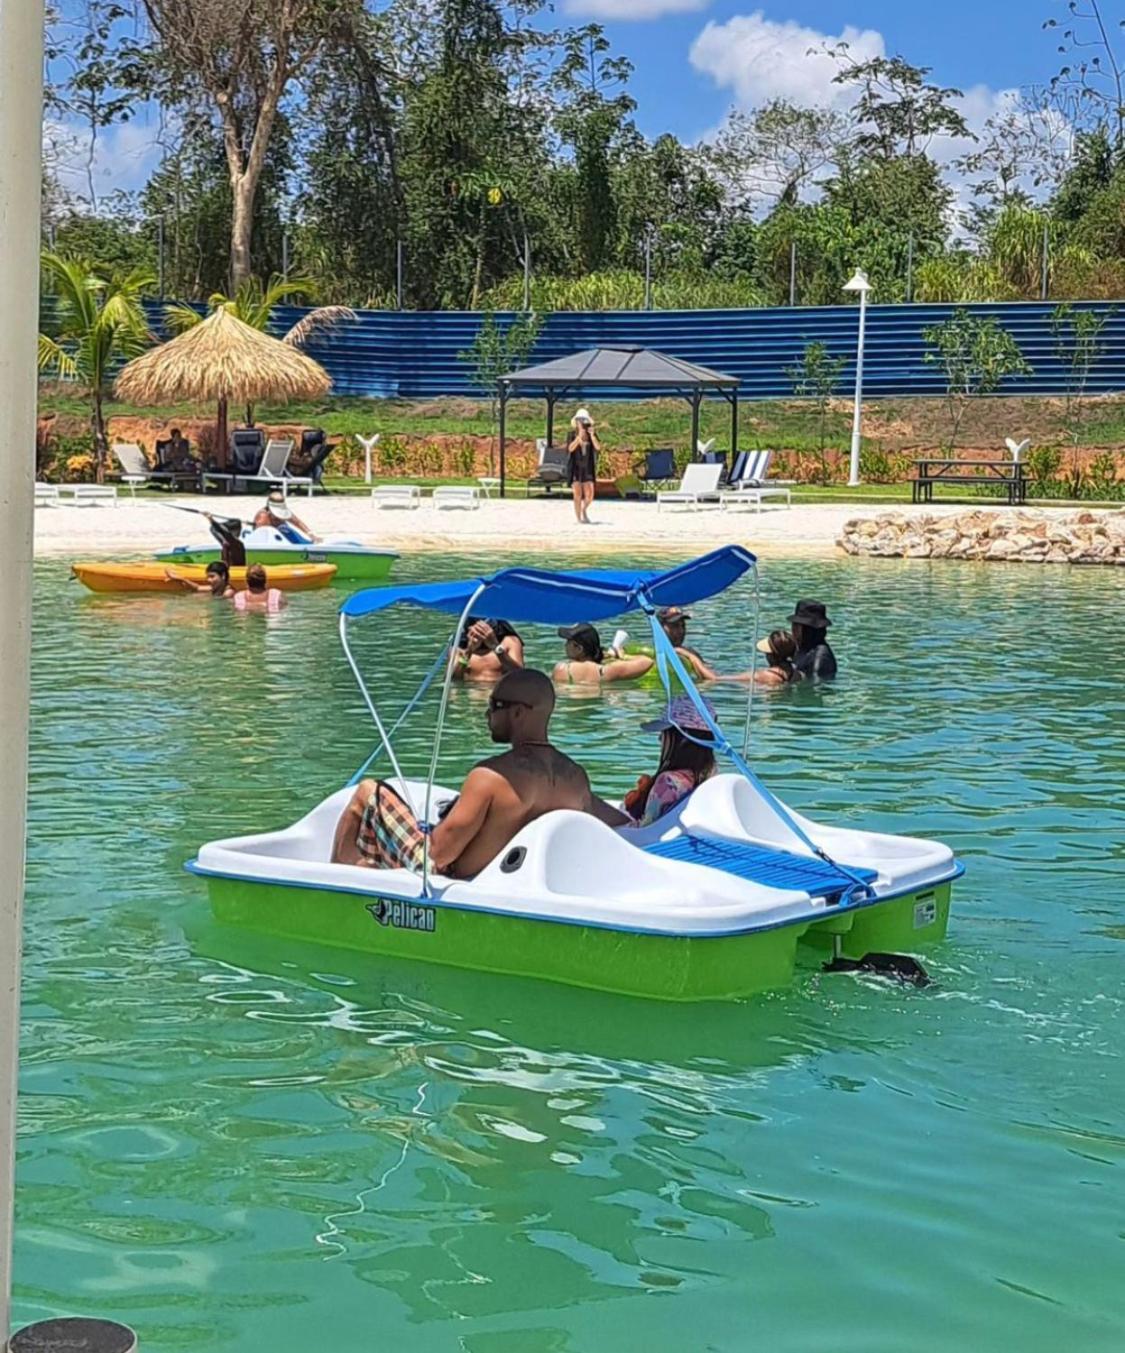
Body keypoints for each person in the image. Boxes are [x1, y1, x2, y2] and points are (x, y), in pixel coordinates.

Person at [331, 668, 628, 877]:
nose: (487, 714)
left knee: (368, 792)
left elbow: (438, 856)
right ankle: (363, 866)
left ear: (519, 713)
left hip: (455, 877)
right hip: (511, 878)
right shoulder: (574, 778)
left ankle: (338, 875)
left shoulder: (490, 777)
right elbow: (609, 816)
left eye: (494, 705)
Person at [623, 696, 718, 827]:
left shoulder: (669, 782)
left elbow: (646, 829)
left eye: (665, 733)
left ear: (682, 739)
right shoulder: (710, 776)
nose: (660, 738)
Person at [553, 623, 654, 685]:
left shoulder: (561, 670)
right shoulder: (607, 671)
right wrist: (622, 656)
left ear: (579, 648)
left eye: (568, 642)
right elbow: (648, 661)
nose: (565, 645)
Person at [654, 607, 719, 681]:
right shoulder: (653, 655)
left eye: (683, 626)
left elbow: (712, 673)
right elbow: (713, 678)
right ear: (659, 628)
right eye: (675, 626)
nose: (681, 631)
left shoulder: (689, 651)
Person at [566, 408, 599, 525]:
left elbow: (598, 448)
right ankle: (578, 517)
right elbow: (570, 449)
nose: (581, 422)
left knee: (590, 494)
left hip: (587, 467)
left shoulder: (591, 434)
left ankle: (584, 509)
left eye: (583, 420)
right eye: (579, 420)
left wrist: (592, 435)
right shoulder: (571, 435)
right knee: (577, 494)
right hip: (575, 467)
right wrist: (578, 437)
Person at [790, 599, 837, 679]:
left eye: (796, 626)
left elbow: (815, 687)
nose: (793, 630)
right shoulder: (803, 648)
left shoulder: (821, 656)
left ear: (807, 630)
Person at [252, 490, 319, 543]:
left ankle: (308, 544)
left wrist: (311, 535)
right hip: (269, 539)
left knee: (288, 531)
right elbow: (260, 538)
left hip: (282, 534)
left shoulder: (285, 512)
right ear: (269, 510)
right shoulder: (263, 518)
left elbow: (297, 522)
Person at [165, 560, 233, 597]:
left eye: (212, 576)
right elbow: (197, 587)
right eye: (208, 577)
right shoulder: (216, 588)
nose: (208, 580)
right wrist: (180, 579)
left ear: (223, 576)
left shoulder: (228, 592)